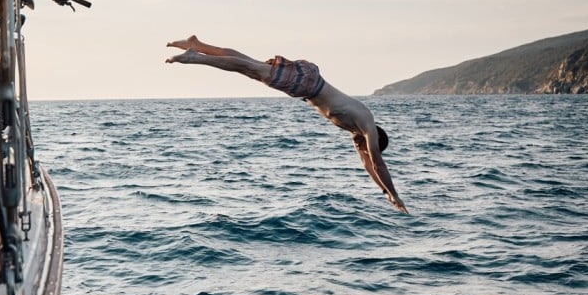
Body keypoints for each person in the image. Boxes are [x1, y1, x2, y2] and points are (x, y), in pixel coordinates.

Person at [165, 35, 409, 213]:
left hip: (306, 83)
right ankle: (194, 57)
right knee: (248, 67)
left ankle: (197, 45)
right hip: (306, 83)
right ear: (375, 139)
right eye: (368, 147)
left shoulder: (355, 131)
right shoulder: (366, 123)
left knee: (248, 66)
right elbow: (377, 163)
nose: (364, 150)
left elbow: (367, 165)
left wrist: (385, 193)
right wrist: (396, 194)